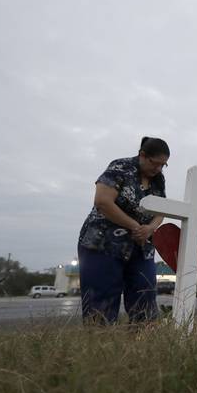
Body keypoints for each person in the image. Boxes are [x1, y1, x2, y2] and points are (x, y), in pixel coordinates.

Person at [77, 137, 170, 324]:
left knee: (145, 295)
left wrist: (150, 228)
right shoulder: (120, 167)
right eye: (155, 163)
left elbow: (161, 210)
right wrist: (135, 226)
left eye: (163, 165)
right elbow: (103, 201)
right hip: (104, 243)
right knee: (101, 301)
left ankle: (142, 338)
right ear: (142, 155)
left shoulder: (158, 180)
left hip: (141, 246)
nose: (158, 169)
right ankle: (100, 339)